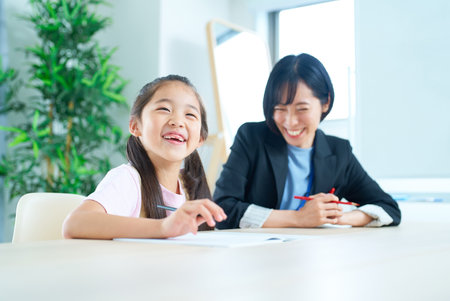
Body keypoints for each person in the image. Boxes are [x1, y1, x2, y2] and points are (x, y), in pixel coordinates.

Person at [213, 53, 401, 229]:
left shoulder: (339, 152)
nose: (290, 121)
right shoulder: (251, 137)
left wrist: (338, 217)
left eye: (302, 109)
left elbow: (388, 208)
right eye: (280, 108)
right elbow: (222, 209)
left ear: (325, 102)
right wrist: (298, 219)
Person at [63, 75, 226, 239]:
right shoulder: (129, 179)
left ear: (200, 139)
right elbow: (75, 224)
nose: (177, 121)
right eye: (164, 109)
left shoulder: (190, 187)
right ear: (135, 126)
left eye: (190, 114)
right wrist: (163, 227)